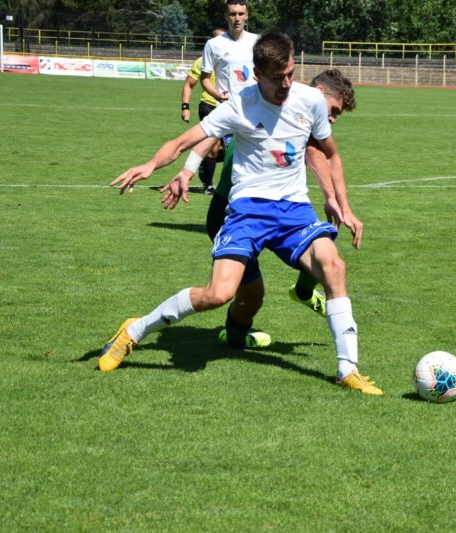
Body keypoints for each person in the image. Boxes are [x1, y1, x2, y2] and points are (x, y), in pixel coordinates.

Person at [101, 33, 383, 395]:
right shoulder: (239, 105)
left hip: (294, 212)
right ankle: (133, 331)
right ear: (258, 73)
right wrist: (151, 165)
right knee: (218, 294)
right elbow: (186, 141)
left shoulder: (311, 100)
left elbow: (330, 153)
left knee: (334, 265)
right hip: (247, 212)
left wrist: (342, 206)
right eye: (277, 77)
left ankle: (347, 369)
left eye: (291, 74)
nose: (285, 84)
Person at [166, 69, 359, 351]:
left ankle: (304, 292)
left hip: (276, 211)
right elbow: (212, 130)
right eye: (333, 110)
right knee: (251, 296)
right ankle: (233, 336)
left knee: (324, 240)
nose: (331, 118)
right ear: (319, 94)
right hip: (231, 213)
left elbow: (317, 154)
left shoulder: (304, 115)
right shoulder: (267, 103)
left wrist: (334, 199)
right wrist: (188, 169)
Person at [180, 25, 226, 195]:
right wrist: (185, 107)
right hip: (209, 107)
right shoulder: (202, 62)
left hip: (231, 108)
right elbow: (188, 84)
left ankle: (202, 161)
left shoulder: (235, 58)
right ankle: (208, 184)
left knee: (230, 149)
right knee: (213, 146)